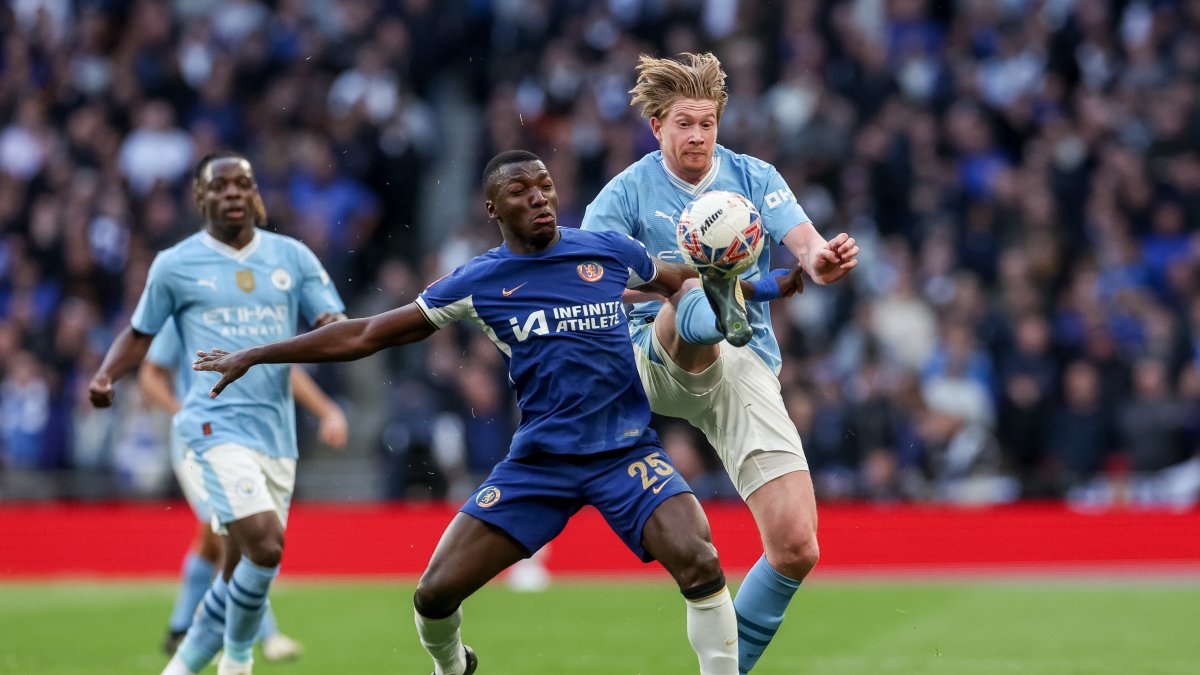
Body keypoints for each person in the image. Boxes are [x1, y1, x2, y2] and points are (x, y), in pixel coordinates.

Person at [192, 151, 799, 675]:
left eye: (545, 186)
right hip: (541, 464)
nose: (538, 198)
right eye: (520, 191)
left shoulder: (610, 251)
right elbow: (367, 333)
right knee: (433, 595)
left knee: (701, 560)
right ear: (492, 208)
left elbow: (684, 281)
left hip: (624, 451)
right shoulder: (479, 281)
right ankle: (453, 666)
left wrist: (764, 287)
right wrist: (259, 354)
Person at [581, 52, 859, 673]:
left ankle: (726, 672)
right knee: (684, 291)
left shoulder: (753, 176)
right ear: (657, 125)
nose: (698, 136)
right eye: (684, 123)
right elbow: (586, 283)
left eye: (707, 123)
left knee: (796, 545)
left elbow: (807, 247)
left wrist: (821, 262)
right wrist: (666, 288)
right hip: (654, 354)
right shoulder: (624, 193)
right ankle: (713, 298)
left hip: (743, 361)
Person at [88, 151, 347, 675]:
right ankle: (239, 661)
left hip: (275, 434)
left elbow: (333, 326)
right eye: (220, 185)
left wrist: (334, 338)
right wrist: (106, 374)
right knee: (264, 545)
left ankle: (183, 663)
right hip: (210, 427)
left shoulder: (291, 257)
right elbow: (140, 334)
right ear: (200, 196)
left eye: (242, 184)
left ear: (255, 194)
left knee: (238, 561)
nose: (232, 192)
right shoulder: (175, 265)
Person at [139, 316, 351, 661]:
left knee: (214, 535)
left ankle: (179, 629)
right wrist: (183, 412)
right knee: (238, 530)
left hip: (252, 441)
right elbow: (150, 375)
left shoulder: (257, 312)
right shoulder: (185, 311)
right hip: (202, 441)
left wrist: (326, 410)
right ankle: (265, 634)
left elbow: (282, 369)